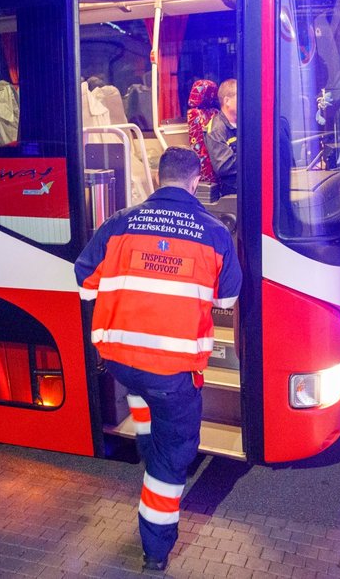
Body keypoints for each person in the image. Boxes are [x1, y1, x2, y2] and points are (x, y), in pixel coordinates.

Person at [74, 146, 242, 572]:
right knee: (172, 462)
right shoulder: (214, 231)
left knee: (141, 390)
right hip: (172, 371)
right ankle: (155, 549)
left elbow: (84, 278)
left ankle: (147, 446)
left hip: (119, 360)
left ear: (157, 177)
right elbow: (226, 298)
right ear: (195, 181)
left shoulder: (119, 223)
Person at [204, 78, 237, 195]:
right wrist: (250, 159)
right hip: (232, 186)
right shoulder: (216, 129)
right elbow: (223, 166)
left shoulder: (241, 124)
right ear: (227, 101)